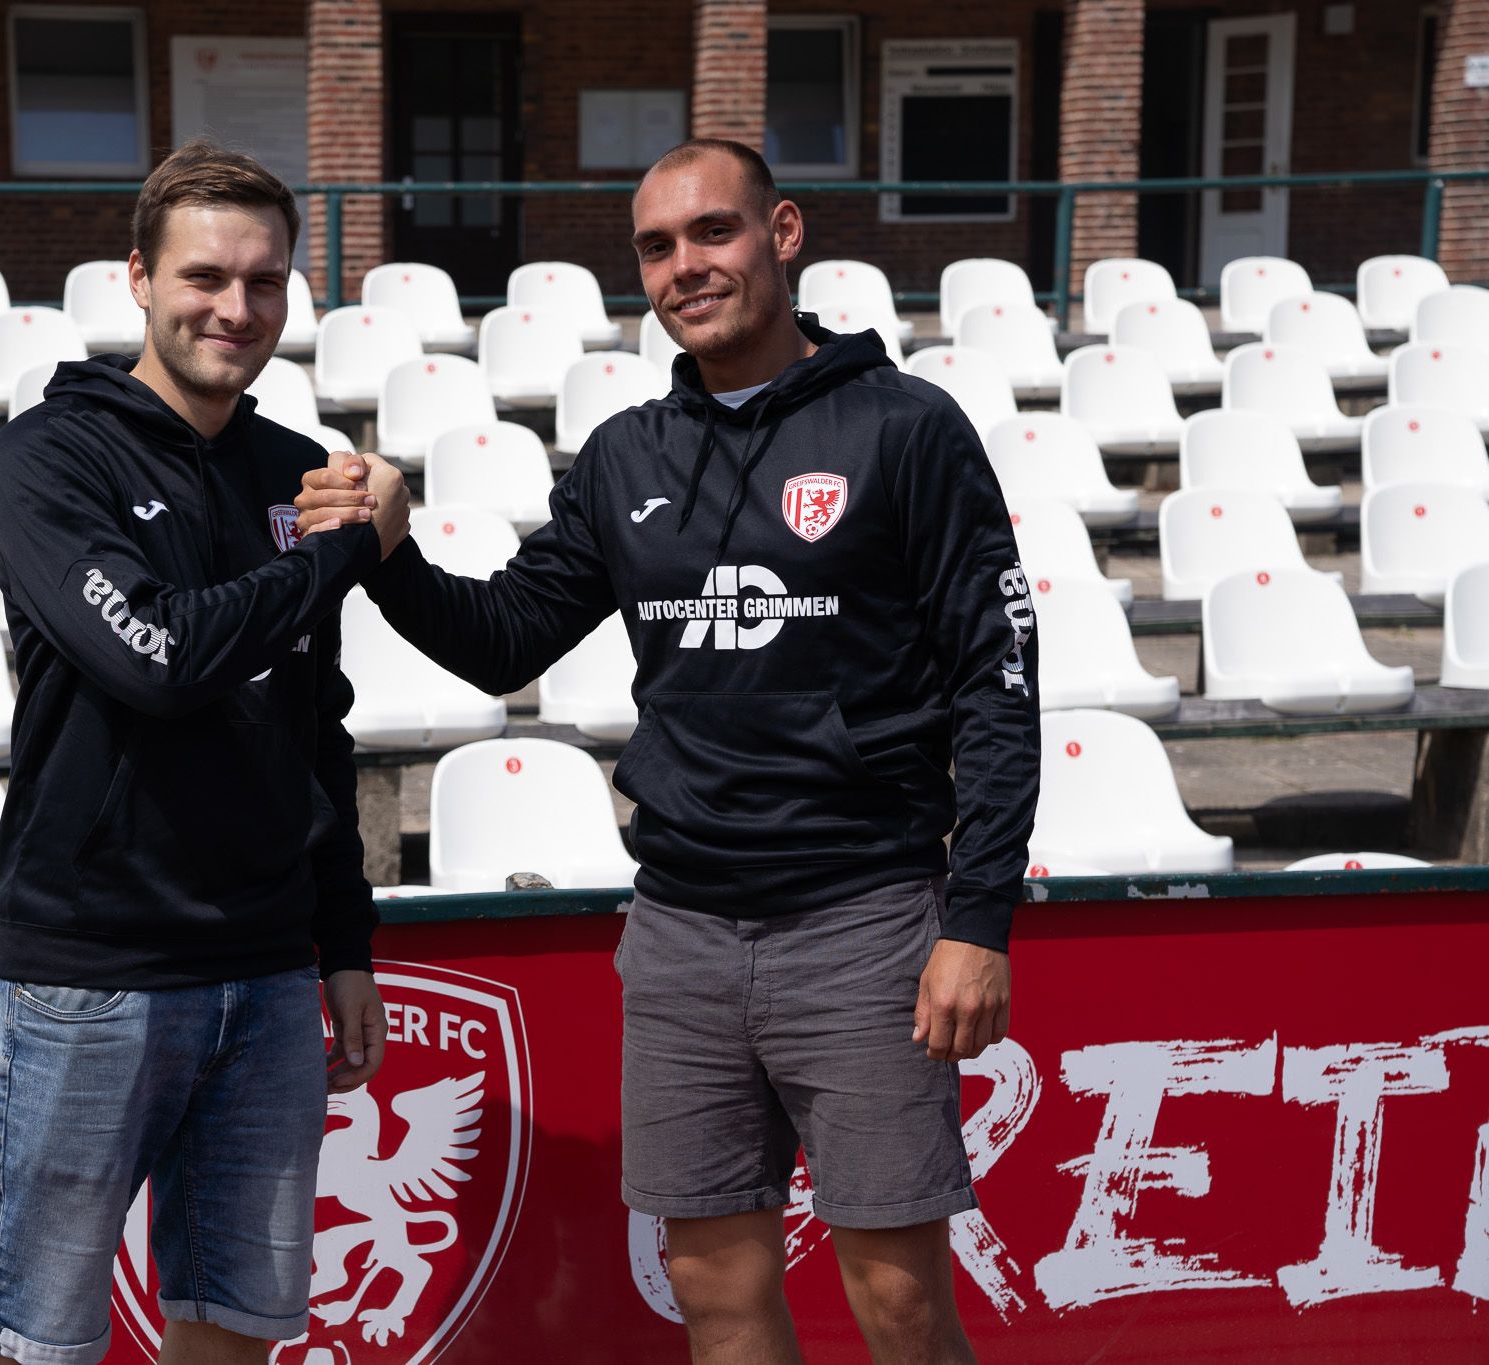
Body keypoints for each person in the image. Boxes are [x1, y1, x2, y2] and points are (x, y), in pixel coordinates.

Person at [294, 138, 1038, 1364]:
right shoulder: (625, 453)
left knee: (897, 1297)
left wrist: (979, 920)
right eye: (654, 247)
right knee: (710, 1288)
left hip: (862, 923)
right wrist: (388, 552)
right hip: (681, 930)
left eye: (711, 232)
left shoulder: (905, 428)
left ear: (782, 234)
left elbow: (996, 683)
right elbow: (504, 640)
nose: (683, 267)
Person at [0, 140, 400, 1365]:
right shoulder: (53, 454)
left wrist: (343, 944)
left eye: (263, 282)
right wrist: (342, 551)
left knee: (233, 1337)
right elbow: (156, 658)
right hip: (93, 974)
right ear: (139, 278)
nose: (235, 309)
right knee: (25, 1342)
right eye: (204, 276)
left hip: (265, 975)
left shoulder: (293, 471)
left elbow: (315, 723)